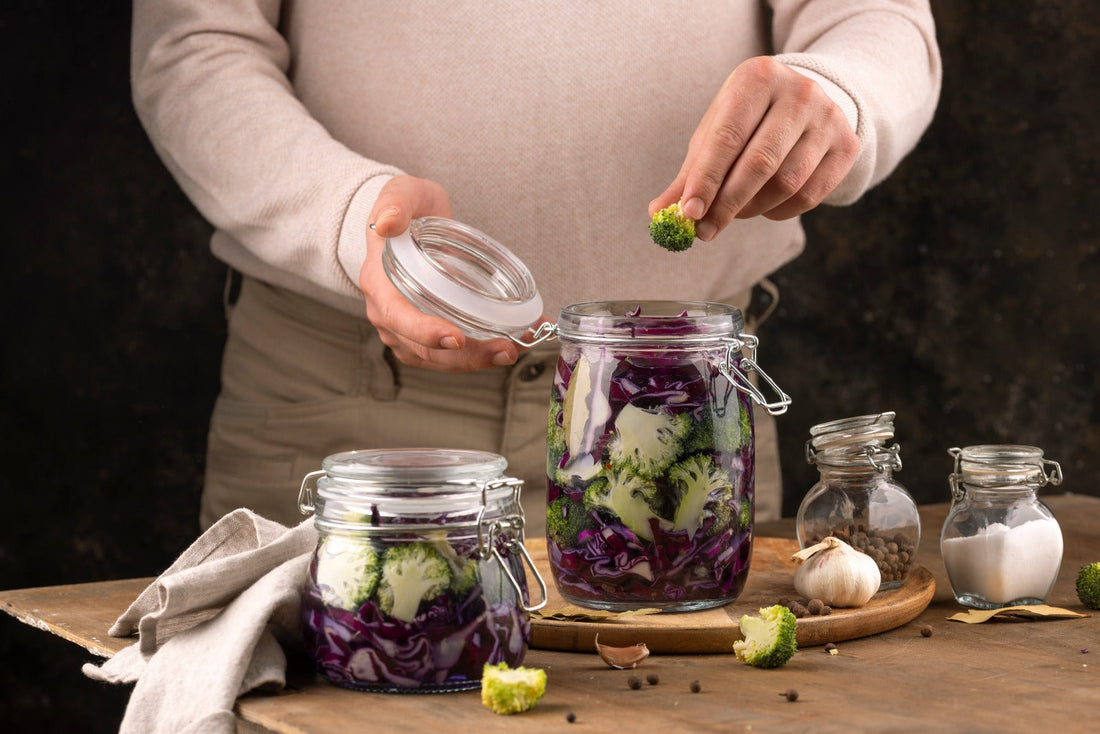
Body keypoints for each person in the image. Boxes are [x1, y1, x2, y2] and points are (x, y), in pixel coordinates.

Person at [131, 1, 941, 535]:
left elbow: (880, 20)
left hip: (675, 404)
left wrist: (834, 93)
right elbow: (195, 45)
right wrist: (349, 220)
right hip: (345, 406)